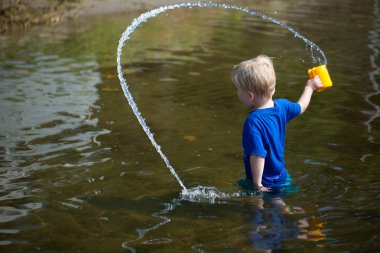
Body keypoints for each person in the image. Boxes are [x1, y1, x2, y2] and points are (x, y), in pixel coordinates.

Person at [231, 55, 323, 192]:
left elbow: (258, 155)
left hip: (264, 182)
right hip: (281, 176)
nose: (237, 93)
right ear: (272, 89)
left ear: (250, 96)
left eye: (238, 89)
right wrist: (309, 87)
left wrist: (257, 185)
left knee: (255, 209)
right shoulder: (282, 107)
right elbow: (301, 107)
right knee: (278, 204)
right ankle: (287, 211)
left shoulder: (253, 121)